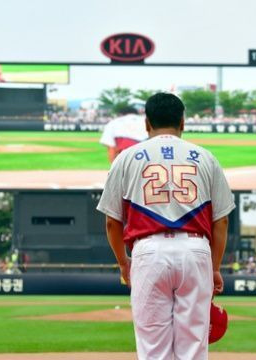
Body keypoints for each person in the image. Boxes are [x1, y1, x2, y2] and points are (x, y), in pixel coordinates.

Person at [97, 92, 235, 359]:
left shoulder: (126, 158)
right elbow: (222, 220)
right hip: (196, 251)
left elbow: (112, 222)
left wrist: (124, 263)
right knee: (194, 348)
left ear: (147, 123)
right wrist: (214, 268)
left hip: (148, 252)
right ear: (183, 122)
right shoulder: (206, 157)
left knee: (153, 349)